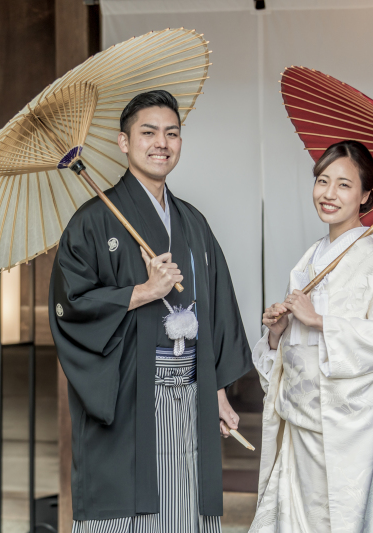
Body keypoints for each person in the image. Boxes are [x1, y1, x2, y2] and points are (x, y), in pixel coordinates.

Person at [49, 90, 253, 533]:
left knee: (184, 509)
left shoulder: (193, 222)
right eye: (148, 132)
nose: (162, 142)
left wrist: (216, 389)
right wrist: (140, 292)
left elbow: (217, 307)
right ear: (124, 143)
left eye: (172, 133)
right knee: (128, 513)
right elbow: (71, 306)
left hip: (192, 394)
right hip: (128, 393)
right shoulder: (92, 222)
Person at [249, 140, 373, 533]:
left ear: (365, 196)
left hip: (345, 430)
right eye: (322, 180)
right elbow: (294, 346)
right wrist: (278, 334)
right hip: (300, 420)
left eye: (344, 185)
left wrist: (322, 321)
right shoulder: (310, 259)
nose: (328, 193)